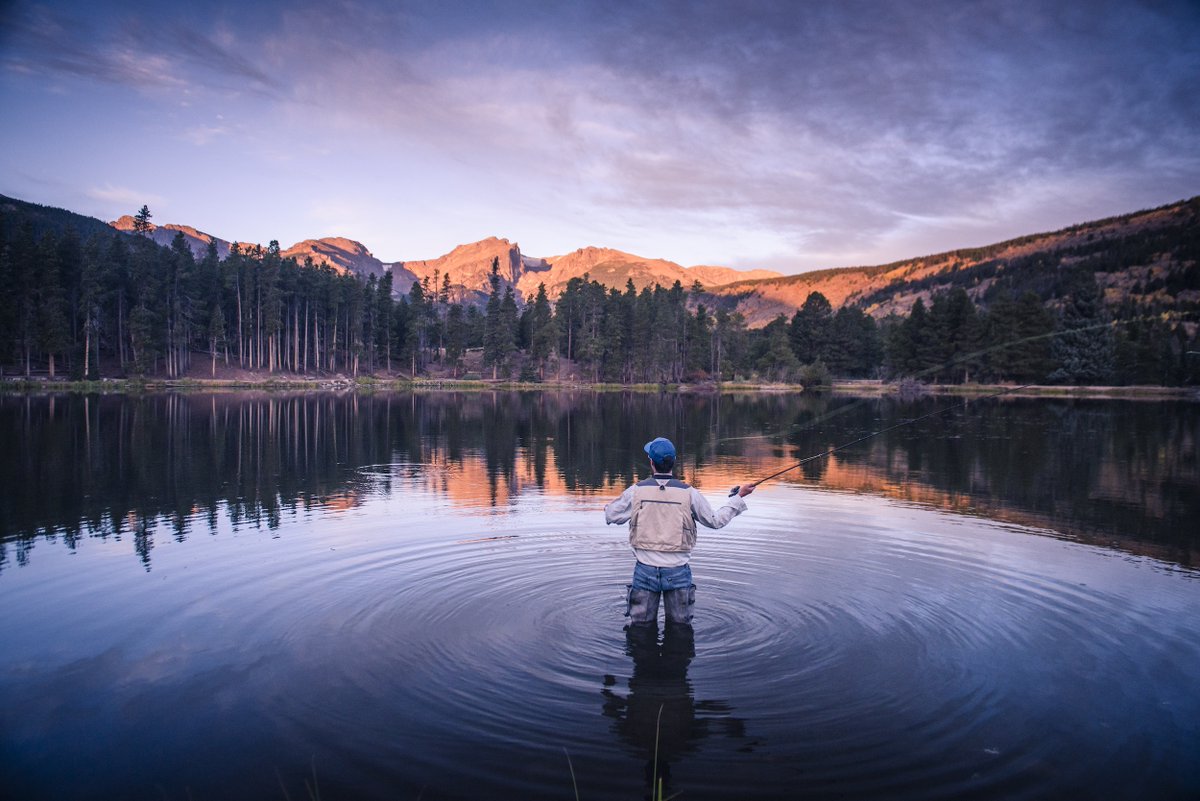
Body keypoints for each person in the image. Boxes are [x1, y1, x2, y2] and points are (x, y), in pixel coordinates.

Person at [604, 437, 755, 627]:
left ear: (651, 463)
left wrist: (609, 507)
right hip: (678, 572)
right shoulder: (689, 493)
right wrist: (738, 497)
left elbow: (611, 516)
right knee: (680, 629)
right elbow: (716, 521)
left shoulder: (635, 492)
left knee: (640, 630)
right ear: (673, 463)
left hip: (644, 571)